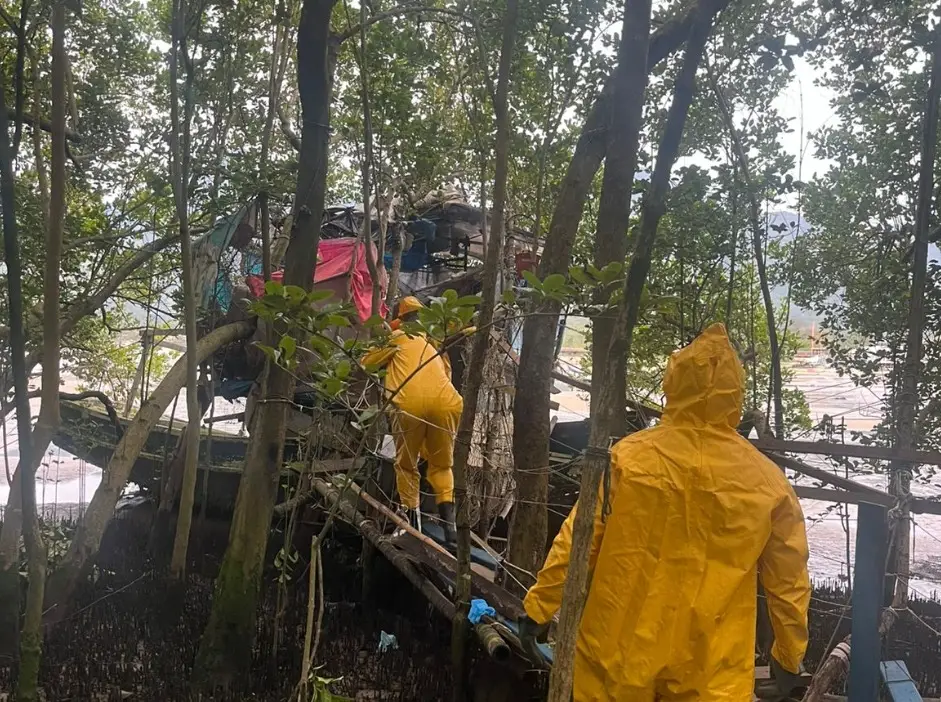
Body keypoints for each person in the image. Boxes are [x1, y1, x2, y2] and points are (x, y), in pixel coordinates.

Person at [520, 323, 811, 701]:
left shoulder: (627, 458)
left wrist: (539, 609)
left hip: (618, 652)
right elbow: (788, 581)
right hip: (711, 666)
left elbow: (578, 540)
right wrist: (789, 658)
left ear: (673, 384)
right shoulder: (768, 482)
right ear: (735, 396)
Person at [362, 296, 465, 543]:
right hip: (447, 403)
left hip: (410, 404)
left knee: (406, 463)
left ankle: (413, 523)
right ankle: (450, 528)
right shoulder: (433, 343)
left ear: (401, 320)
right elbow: (447, 374)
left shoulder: (397, 338)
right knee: (441, 465)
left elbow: (366, 363)